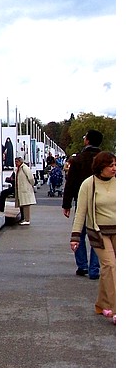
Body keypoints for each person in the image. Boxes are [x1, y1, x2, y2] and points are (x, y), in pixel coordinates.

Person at [70, 151, 116, 325]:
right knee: (110, 265)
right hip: (98, 232)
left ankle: (102, 303)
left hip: (118, 231)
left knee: (108, 268)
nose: (114, 169)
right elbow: (81, 212)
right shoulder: (89, 184)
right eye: (110, 165)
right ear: (101, 167)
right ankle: (116, 308)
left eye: (115, 165)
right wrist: (75, 237)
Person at [62, 129, 102, 279]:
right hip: (101, 202)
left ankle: (82, 265)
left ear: (87, 141)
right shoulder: (105, 159)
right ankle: (94, 268)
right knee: (97, 235)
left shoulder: (78, 159)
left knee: (79, 232)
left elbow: (70, 183)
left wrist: (66, 204)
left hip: (82, 200)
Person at [14, 156, 36, 225]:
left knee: (26, 204)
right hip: (21, 189)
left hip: (25, 189)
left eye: (17, 162)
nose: (15, 163)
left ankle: (27, 219)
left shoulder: (24, 168)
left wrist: (32, 184)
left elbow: (31, 178)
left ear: (20, 161)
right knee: (22, 204)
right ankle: (24, 218)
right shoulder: (19, 168)